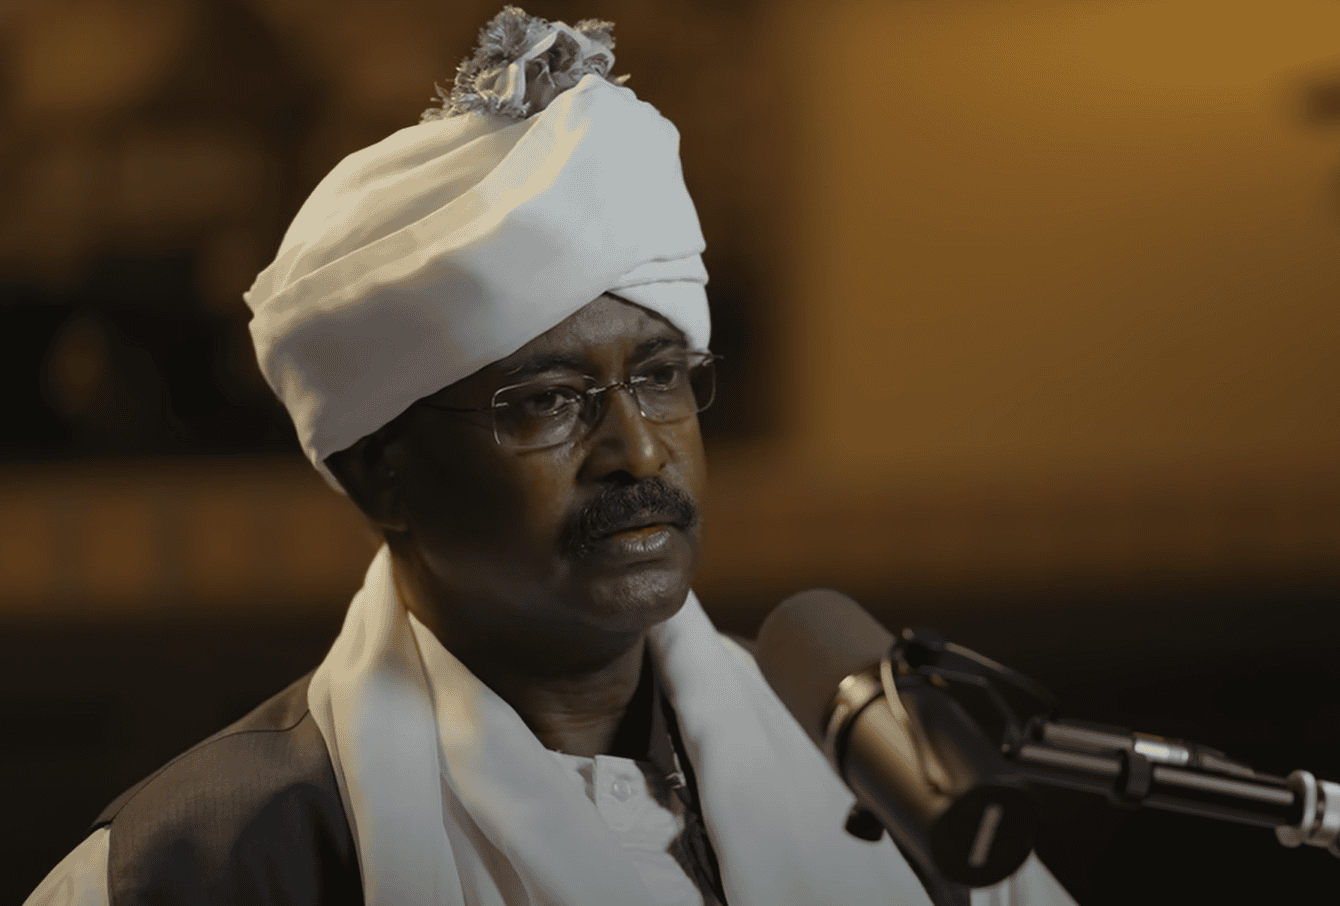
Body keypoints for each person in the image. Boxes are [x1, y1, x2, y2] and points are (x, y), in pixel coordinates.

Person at [26, 8, 1078, 905]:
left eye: (660, 377)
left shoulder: (894, 783)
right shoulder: (209, 860)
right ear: (381, 473)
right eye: (546, 402)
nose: (637, 450)